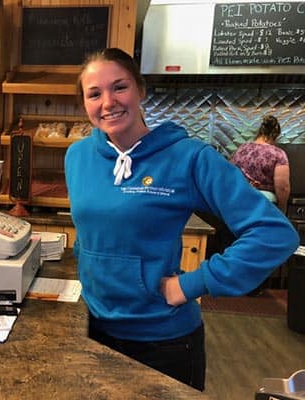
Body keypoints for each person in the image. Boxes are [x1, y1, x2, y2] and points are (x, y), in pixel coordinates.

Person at [64, 48, 299, 391]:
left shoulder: (189, 157)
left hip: (164, 342)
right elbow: (90, 233)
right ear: (84, 102)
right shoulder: (77, 156)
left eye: (120, 87)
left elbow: (275, 233)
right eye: (94, 93)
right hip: (94, 328)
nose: (108, 102)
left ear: (141, 90)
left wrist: (188, 286)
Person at [231, 115, 290, 212]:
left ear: (259, 132)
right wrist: (282, 210)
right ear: (274, 135)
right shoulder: (278, 154)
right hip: (264, 204)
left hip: (240, 199)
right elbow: (282, 187)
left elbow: (230, 173)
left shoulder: (242, 148)